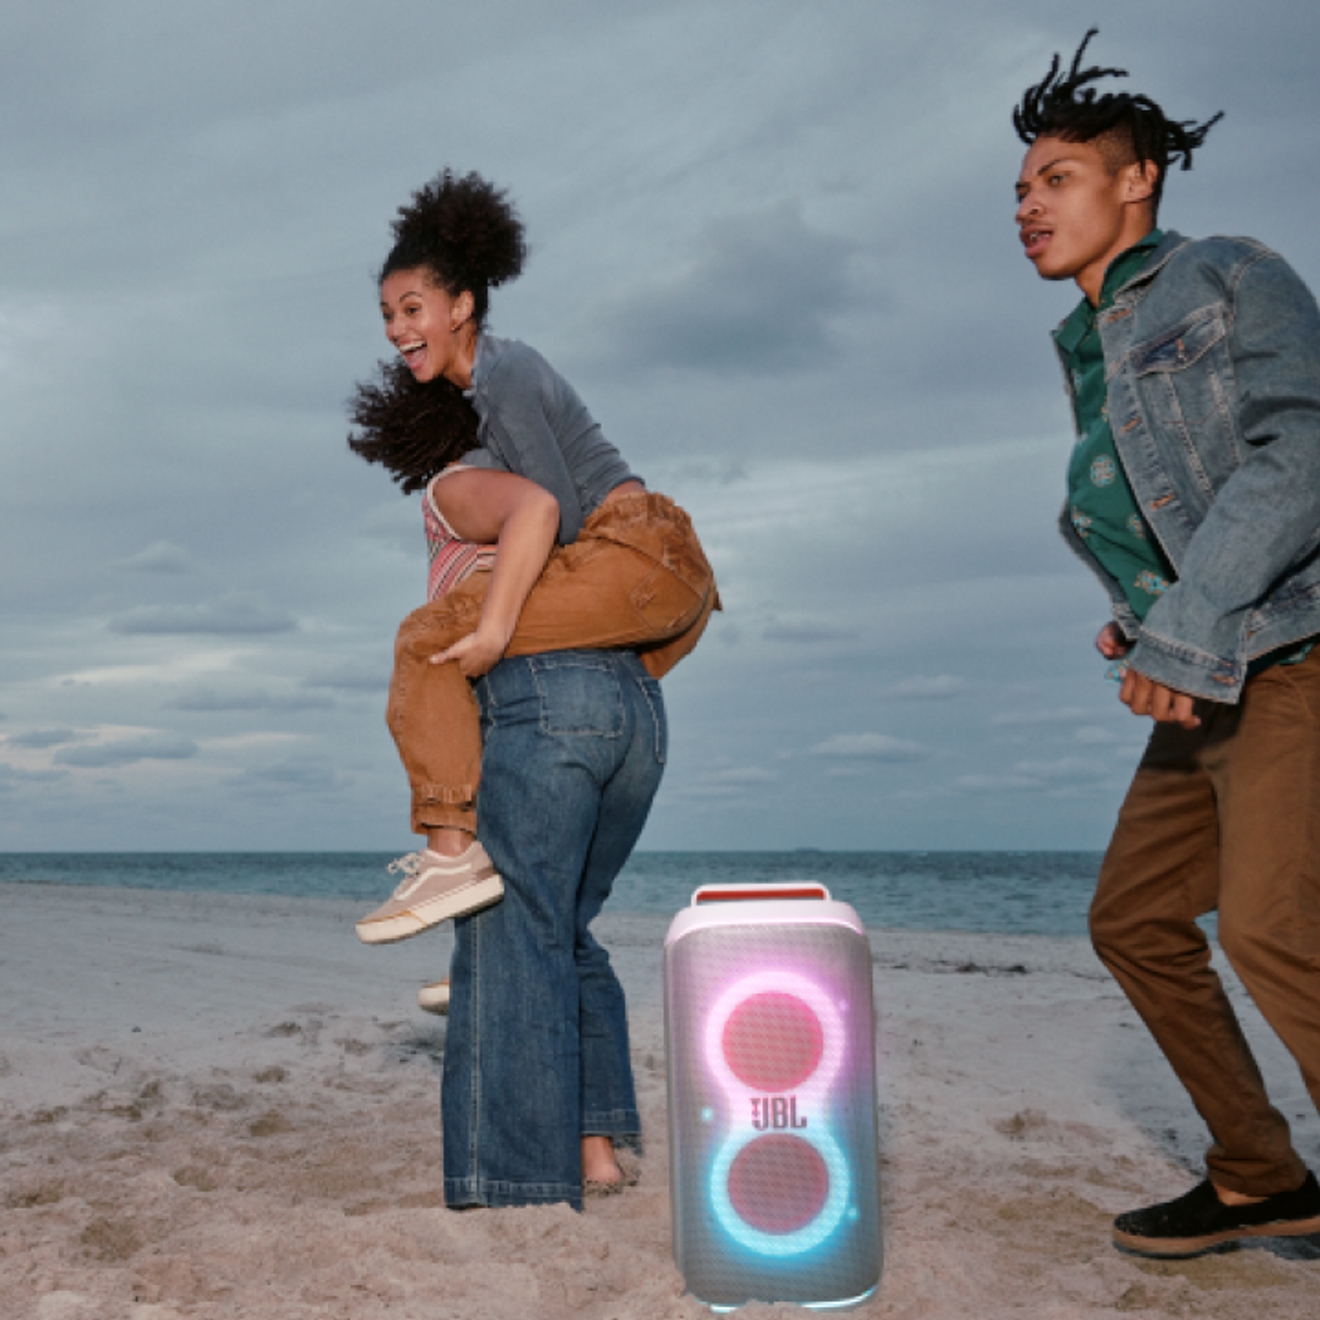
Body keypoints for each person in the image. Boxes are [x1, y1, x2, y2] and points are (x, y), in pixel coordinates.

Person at [1012, 30, 1320, 1258]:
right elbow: (1174, 507)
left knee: (1272, 929)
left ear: (1136, 179)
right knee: (1134, 918)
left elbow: (1300, 453)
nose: (1030, 206)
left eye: (1058, 179)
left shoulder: (1224, 273)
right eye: (1022, 191)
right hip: (1209, 676)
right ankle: (1261, 1175)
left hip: (1295, 656)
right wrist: (1146, 613)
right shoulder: (1089, 352)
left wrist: (1182, 627)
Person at [347, 170, 717, 958]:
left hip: (637, 548)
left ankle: (449, 855)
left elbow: (553, 514)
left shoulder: (505, 371)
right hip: (661, 584)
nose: (395, 329)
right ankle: (488, 967)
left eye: (412, 309)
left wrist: (489, 629)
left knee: (427, 639)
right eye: (386, 315)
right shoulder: (487, 394)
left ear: (461, 307)